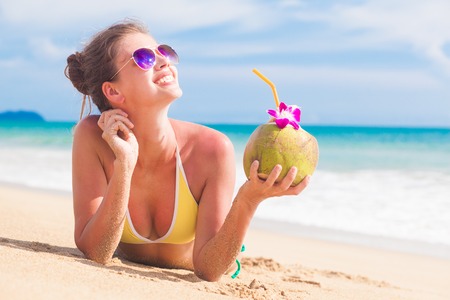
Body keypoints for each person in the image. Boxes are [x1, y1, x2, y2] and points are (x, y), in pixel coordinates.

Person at [65, 19, 310, 282]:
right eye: (144, 58)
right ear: (113, 90)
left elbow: (208, 269)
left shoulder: (212, 149)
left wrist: (249, 199)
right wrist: (125, 164)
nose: (163, 61)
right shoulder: (94, 137)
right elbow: (97, 252)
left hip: (216, 256)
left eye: (163, 51)